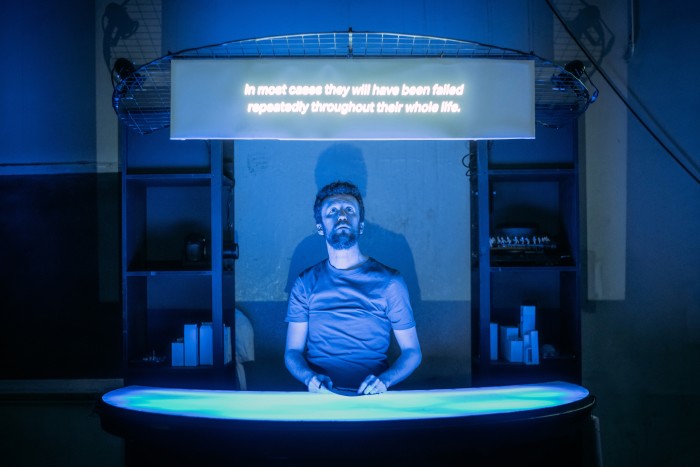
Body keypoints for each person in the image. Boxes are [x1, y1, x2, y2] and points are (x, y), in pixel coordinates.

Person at [284, 181, 422, 395]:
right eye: (332, 211)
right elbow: (292, 352)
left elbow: (412, 352)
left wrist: (383, 381)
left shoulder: (391, 282)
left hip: (372, 399)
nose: (341, 216)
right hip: (320, 399)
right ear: (320, 226)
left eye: (349, 210)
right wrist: (309, 378)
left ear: (361, 225)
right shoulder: (305, 283)